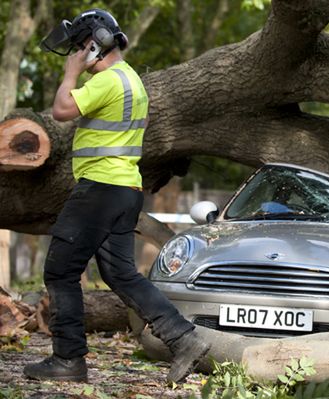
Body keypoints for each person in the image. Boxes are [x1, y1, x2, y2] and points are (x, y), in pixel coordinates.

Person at [24, 9, 209, 383]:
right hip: (125, 190)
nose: (77, 55)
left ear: (97, 44)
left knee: (60, 270)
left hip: (101, 188)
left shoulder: (108, 81)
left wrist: (70, 75)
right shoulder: (132, 82)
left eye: (80, 47)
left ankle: (68, 359)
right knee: (122, 274)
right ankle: (183, 338)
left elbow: (61, 110)